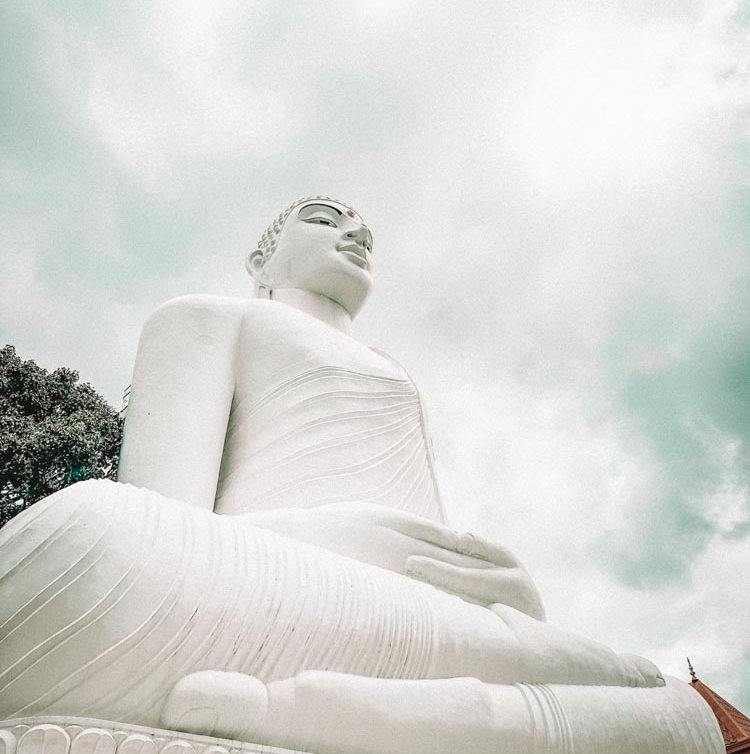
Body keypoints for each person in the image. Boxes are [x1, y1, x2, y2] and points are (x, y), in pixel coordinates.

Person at [0, 198, 722, 754]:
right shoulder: (205, 318)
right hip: (263, 587)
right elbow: (159, 520)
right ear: (261, 259)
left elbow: (436, 556)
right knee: (92, 536)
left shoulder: (397, 377)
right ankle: (510, 719)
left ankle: (342, 708)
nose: (358, 234)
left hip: (413, 616)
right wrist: (334, 535)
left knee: (682, 708)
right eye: (327, 220)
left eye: (366, 230)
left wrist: (510, 596)